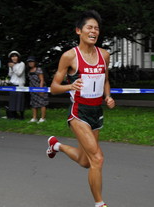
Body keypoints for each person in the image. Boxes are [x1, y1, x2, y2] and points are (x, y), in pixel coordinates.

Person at [46, 10, 115, 207]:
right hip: (79, 113)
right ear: (79, 31)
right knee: (98, 158)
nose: (94, 31)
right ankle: (100, 204)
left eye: (97, 28)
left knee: (86, 162)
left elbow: (106, 80)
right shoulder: (69, 57)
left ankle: (56, 146)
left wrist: (108, 96)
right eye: (89, 27)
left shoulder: (104, 55)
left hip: (96, 112)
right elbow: (53, 87)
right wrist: (70, 86)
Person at [27, 56, 48, 123]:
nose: (30, 63)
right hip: (33, 89)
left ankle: (43, 118)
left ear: (35, 62)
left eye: (32, 62)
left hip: (40, 88)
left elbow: (42, 79)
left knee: (42, 103)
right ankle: (34, 118)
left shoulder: (38, 69)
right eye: (29, 62)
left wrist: (41, 89)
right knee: (33, 104)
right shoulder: (29, 70)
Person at [7, 51, 26, 119]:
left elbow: (19, 73)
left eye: (15, 56)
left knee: (20, 100)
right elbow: (10, 74)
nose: (14, 58)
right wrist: (11, 68)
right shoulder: (11, 65)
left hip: (20, 85)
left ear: (18, 57)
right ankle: (13, 115)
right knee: (13, 100)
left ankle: (21, 115)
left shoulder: (22, 64)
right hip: (12, 84)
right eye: (12, 56)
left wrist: (13, 67)